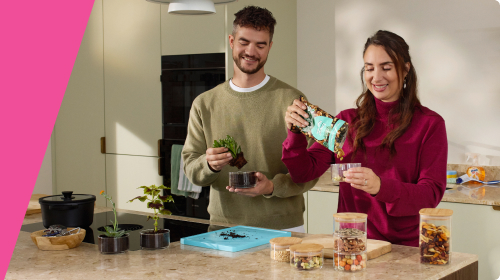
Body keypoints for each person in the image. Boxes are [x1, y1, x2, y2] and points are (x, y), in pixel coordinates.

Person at [282, 30, 448, 246]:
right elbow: (303, 173)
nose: (376, 77)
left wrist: (380, 186)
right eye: (369, 68)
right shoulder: (346, 122)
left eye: (386, 68)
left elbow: (430, 194)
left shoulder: (430, 124)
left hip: (403, 248)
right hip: (350, 245)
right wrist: (295, 132)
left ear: (405, 69)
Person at [182, 6, 318, 232]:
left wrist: (272, 186)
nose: (251, 51)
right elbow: (190, 166)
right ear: (231, 41)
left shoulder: (293, 100)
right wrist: (208, 164)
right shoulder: (204, 104)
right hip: (223, 226)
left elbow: (313, 164)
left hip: (283, 227)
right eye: (244, 42)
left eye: (260, 44)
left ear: (270, 47)